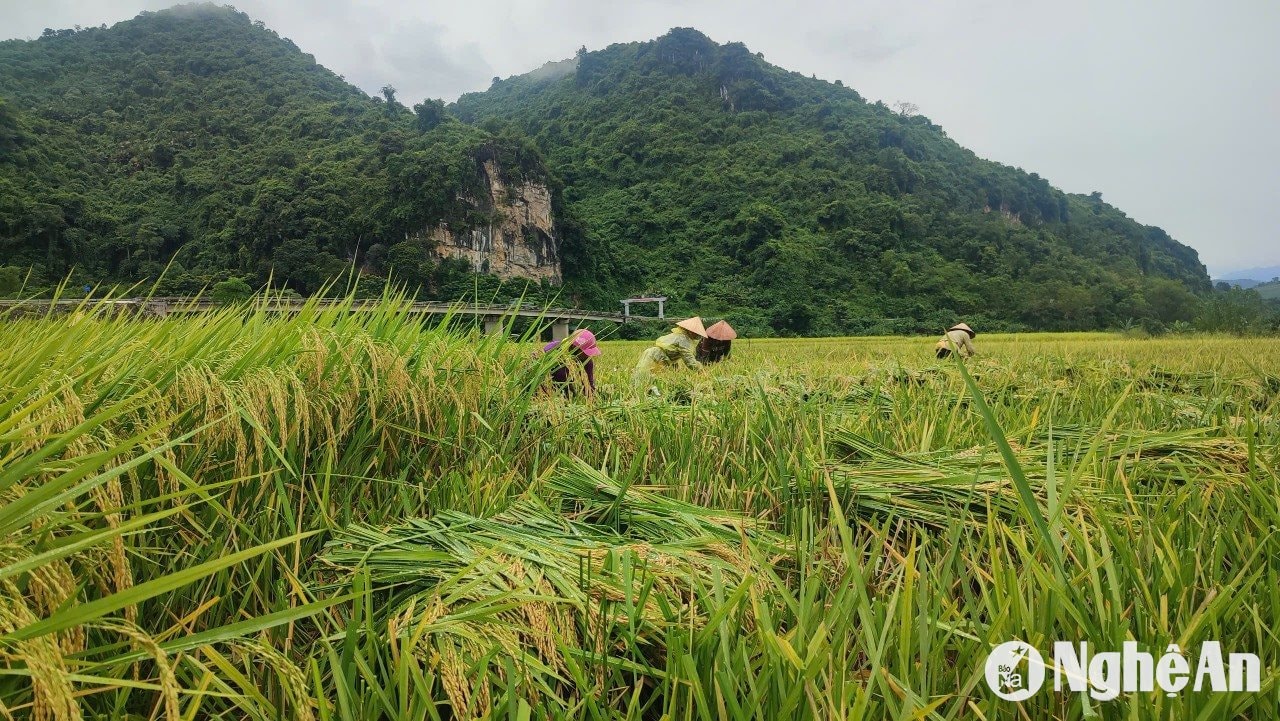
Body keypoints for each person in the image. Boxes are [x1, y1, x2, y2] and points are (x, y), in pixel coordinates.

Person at [632, 316, 706, 391]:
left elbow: (672, 355)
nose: (697, 335)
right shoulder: (683, 339)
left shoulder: (681, 337)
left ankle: (648, 393)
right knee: (643, 376)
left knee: (655, 380)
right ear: (690, 331)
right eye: (696, 333)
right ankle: (638, 393)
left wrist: (676, 370)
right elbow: (689, 360)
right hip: (655, 357)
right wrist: (700, 369)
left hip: (657, 357)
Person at [540, 329, 601, 397]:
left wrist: (592, 397)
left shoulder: (587, 360)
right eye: (585, 352)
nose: (587, 355)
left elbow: (589, 384)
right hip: (548, 386)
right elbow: (561, 379)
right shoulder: (553, 349)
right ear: (574, 347)